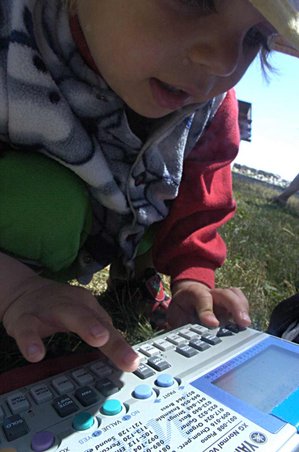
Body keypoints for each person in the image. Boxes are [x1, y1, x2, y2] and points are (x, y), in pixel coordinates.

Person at [0, 0, 298, 373]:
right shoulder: (13, 36)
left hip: (116, 222)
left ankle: (136, 279)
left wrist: (193, 277)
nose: (224, 62)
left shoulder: (211, 107)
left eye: (256, 36)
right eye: (195, 1)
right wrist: (14, 288)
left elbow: (201, 202)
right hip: (29, 225)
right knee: (45, 204)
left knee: (163, 191)